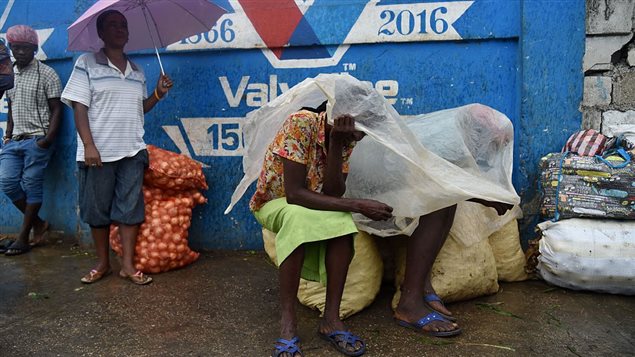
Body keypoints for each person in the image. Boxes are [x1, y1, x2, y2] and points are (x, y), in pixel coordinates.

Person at [252, 101, 513, 356]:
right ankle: (288, 326)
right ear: (341, 115)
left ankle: (335, 318)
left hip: (330, 199)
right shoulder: (301, 122)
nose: (363, 136)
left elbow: (334, 190)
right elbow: (295, 194)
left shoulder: (348, 140)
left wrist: (337, 144)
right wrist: (357, 204)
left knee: (433, 205)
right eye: (361, 129)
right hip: (281, 201)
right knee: (303, 218)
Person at [61, 10, 173, 285]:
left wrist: (157, 94)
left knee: (129, 209)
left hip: (132, 151)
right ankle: (102, 264)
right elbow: (79, 106)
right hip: (98, 153)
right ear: (101, 33)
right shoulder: (86, 63)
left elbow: (139, 110)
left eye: (123, 25)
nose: (120, 29)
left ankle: (127, 266)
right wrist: (89, 144)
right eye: (112, 25)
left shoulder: (137, 71)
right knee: (97, 211)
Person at [0, 25, 62, 256]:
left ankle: (23, 237)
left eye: (25, 48)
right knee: (7, 183)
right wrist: (7, 136)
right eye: (15, 48)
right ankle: (38, 224)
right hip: (14, 141)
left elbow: (57, 109)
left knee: (31, 185)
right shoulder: (8, 75)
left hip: (37, 139)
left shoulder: (47, 73)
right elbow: (13, 108)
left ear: (35, 49)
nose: (20, 52)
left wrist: (46, 140)